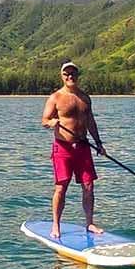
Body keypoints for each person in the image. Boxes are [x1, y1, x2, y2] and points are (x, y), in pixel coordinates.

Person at [39, 61, 106, 239]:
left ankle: (89, 223)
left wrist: (98, 142)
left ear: (77, 75)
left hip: (83, 147)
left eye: (73, 73)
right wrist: (51, 122)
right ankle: (56, 225)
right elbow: (44, 120)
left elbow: (90, 122)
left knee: (89, 186)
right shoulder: (56, 97)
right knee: (61, 187)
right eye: (66, 74)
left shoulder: (85, 98)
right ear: (61, 76)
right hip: (63, 148)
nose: (70, 77)